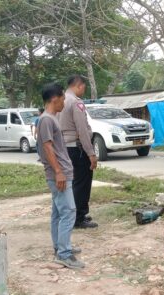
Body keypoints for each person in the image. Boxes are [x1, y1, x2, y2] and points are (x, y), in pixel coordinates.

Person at [37, 83, 84, 269]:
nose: (65, 102)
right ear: (54, 99)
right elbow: (47, 147)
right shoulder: (47, 120)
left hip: (62, 171)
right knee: (69, 211)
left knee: (58, 211)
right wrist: (58, 172)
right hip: (59, 173)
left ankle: (60, 247)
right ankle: (64, 254)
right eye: (63, 98)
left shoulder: (51, 118)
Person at [57, 75, 98, 229]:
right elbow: (82, 130)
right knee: (82, 183)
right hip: (77, 148)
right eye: (84, 87)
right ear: (79, 86)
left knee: (72, 183)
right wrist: (91, 153)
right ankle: (78, 217)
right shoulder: (75, 102)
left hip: (64, 147)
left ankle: (73, 214)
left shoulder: (60, 100)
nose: (83, 90)